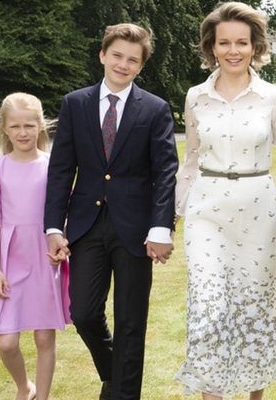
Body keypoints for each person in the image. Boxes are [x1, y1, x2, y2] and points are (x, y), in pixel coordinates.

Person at [44, 23, 178, 400]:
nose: (123, 64)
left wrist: (160, 228)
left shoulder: (154, 109)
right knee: (84, 312)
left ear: (140, 66)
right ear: (103, 55)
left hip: (136, 230)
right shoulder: (75, 103)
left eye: (132, 60)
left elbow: (165, 172)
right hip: (86, 225)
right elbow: (60, 169)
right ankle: (115, 373)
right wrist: (54, 226)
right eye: (117, 55)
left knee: (131, 322)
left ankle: (122, 393)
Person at [173, 2, 276, 400]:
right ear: (212, 46)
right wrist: (169, 215)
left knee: (252, 309)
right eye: (224, 42)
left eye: (242, 42)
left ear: (255, 45)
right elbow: (190, 161)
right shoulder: (195, 97)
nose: (233, 50)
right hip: (206, 211)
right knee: (209, 310)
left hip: (260, 212)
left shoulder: (272, 96)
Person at [0, 92, 71, 400]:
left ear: (41, 126)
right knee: (6, 342)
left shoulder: (53, 165)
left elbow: (64, 210)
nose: (23, 133)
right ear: (4, 129)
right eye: (16, 126)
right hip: (10, 259)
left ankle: (42, 396)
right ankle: (25, 387)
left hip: (44, 257)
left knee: (44, 336)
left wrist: (61, 243)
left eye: (29, 126)